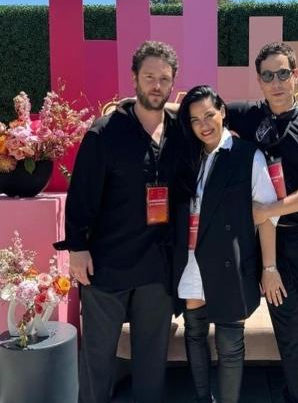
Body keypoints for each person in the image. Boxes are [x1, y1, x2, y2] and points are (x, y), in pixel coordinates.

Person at [54, 40, 181, 403]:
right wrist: (77, 249)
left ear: (173, 84)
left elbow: (218, 113)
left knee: (151, 361)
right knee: (97, 358)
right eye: (149, 77)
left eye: (164, 79)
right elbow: (81, 197)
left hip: (157, 267)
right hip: (107, 264)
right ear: (134, 79)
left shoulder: (180, 132)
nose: (156, 85)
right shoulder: (104, 133)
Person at [226, 42, 298, 403]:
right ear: (259, 81)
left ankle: (296, 396)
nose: (276, 82)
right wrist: (142, 106)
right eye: (268, 76)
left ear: (296, 76)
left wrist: (269, 209)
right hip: (271, 246)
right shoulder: (248, 116)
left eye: (283, 73)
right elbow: (199, 112)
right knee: (291, 332)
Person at [173, 85, 284, 403]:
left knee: (230, 344)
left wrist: (269, 267)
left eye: (209, 114)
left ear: (223, 111)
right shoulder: (188, 156)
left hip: (229, 260)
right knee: (194, 333)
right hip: (192, 259)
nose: (204, 124)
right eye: (195, 120)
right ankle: (201, 397)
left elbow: (266, 216)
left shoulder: (248, 155)